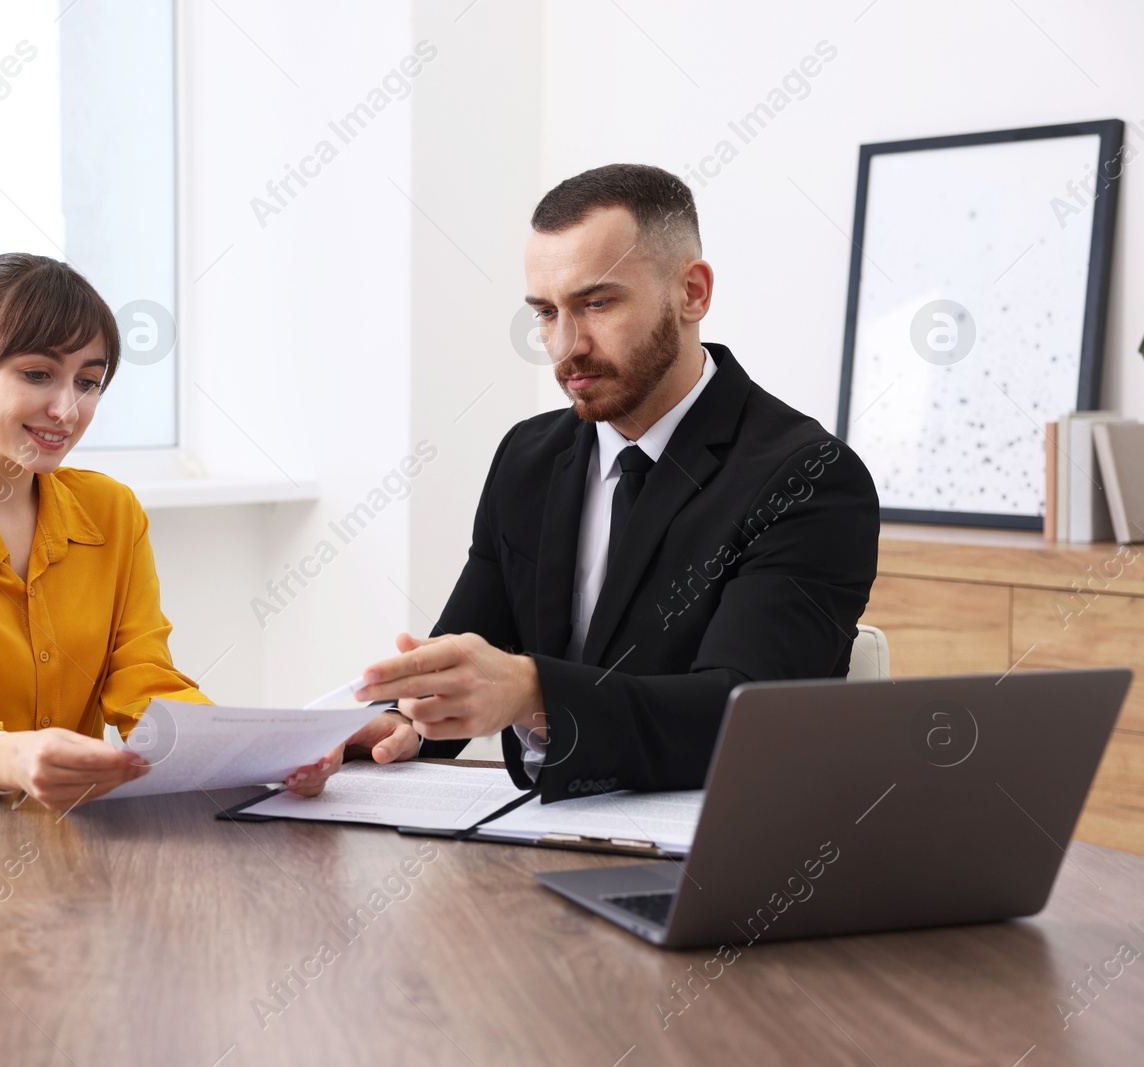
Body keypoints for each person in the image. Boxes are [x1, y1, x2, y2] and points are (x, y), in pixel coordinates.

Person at [310, 163, 881, 800]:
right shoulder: (528, 457)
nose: (565, 346)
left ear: (692, 292)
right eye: (546, 313)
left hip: (721, 853)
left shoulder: (810, 478)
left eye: (597, 303)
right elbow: (473, 657)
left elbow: (741, 715)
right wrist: (400, 724)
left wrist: (533, 695)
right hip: (536, 834)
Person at [0, 253, 335, 809]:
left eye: (87, 382)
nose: (66, 409)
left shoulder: (111, 511)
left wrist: (261, 755)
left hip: (57, 832)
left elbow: (143, 682)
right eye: (38, 374)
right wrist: (15, 758)